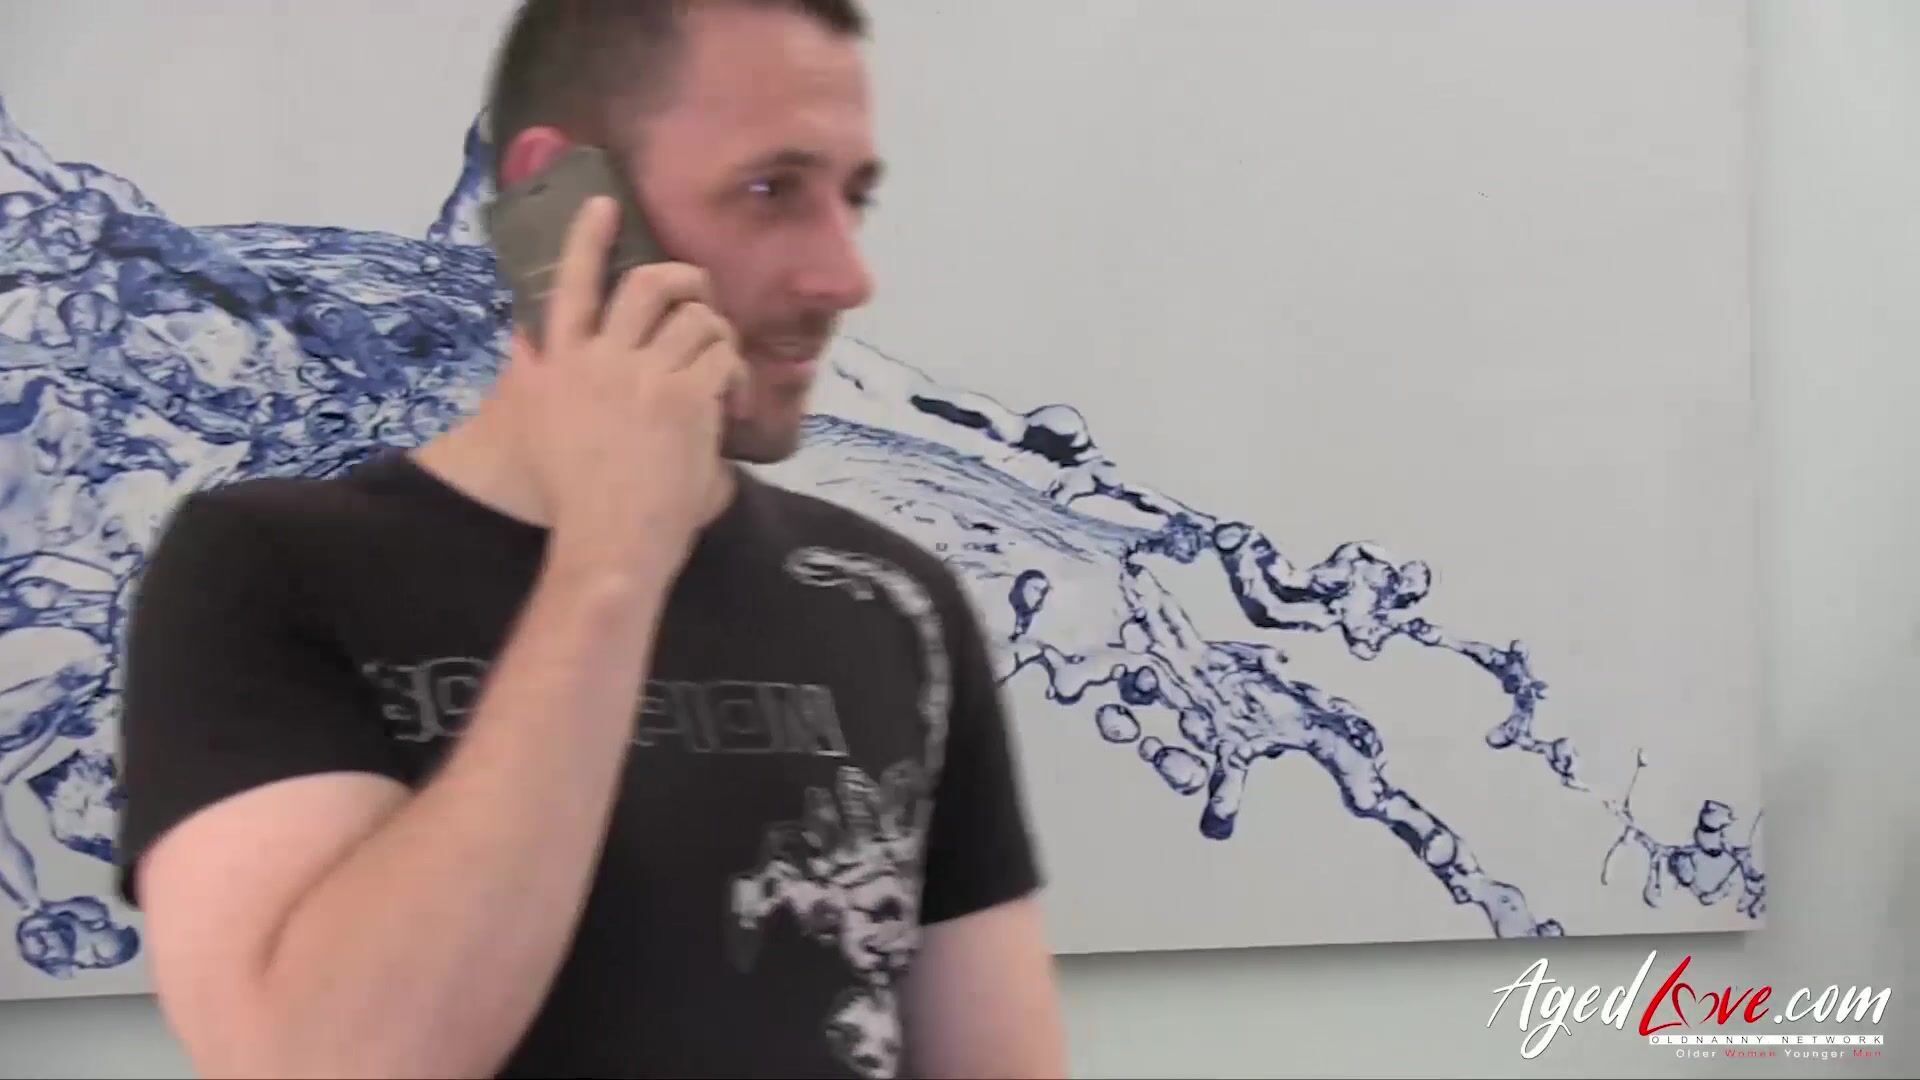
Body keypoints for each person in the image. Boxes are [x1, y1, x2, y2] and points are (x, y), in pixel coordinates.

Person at [113, 1, 1069, 1076]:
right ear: (567, 205)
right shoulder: (266, 569)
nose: (844, 277)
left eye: (852, 199)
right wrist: (611, 561)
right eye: (771, 191)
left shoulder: (891, 601)